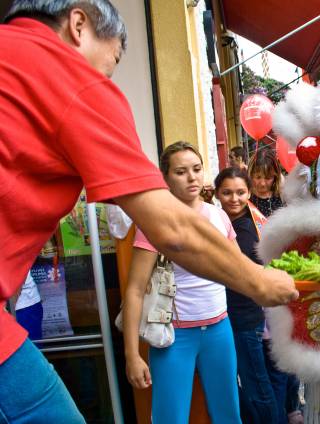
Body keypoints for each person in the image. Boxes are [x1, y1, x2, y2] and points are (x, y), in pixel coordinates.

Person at [0, 1, 296, 422]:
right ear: (78, 24)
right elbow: (172, 231)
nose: (108, 76)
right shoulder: (68, 74)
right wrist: (261, 284)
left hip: (219, 328)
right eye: (113, 60)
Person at [124, 142, 241, 423]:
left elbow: (240, 270)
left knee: (229, 415)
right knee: (170, 417)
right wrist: (131, 355)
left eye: (197, 169)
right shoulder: (155, 222)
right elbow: (135, 290)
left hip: (219, 330)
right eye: (181, 171)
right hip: (173, 338)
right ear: (165, 177)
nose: (191, 177)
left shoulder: (218, 215)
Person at [215, 167, 279, 424]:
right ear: (217, 194)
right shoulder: (227, 221)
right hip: (239, 316)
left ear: (249, 193)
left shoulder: (244, 229)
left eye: (240, 192)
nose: (234, 199)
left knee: (257, 388)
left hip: (244, 317)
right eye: (227, 193)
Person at [248, 149, 285, 217]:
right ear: (251, 174)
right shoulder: (247, 197)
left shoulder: (281, 196)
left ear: (275, 177)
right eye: (258, 177)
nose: (262, 183)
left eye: (268, 178)